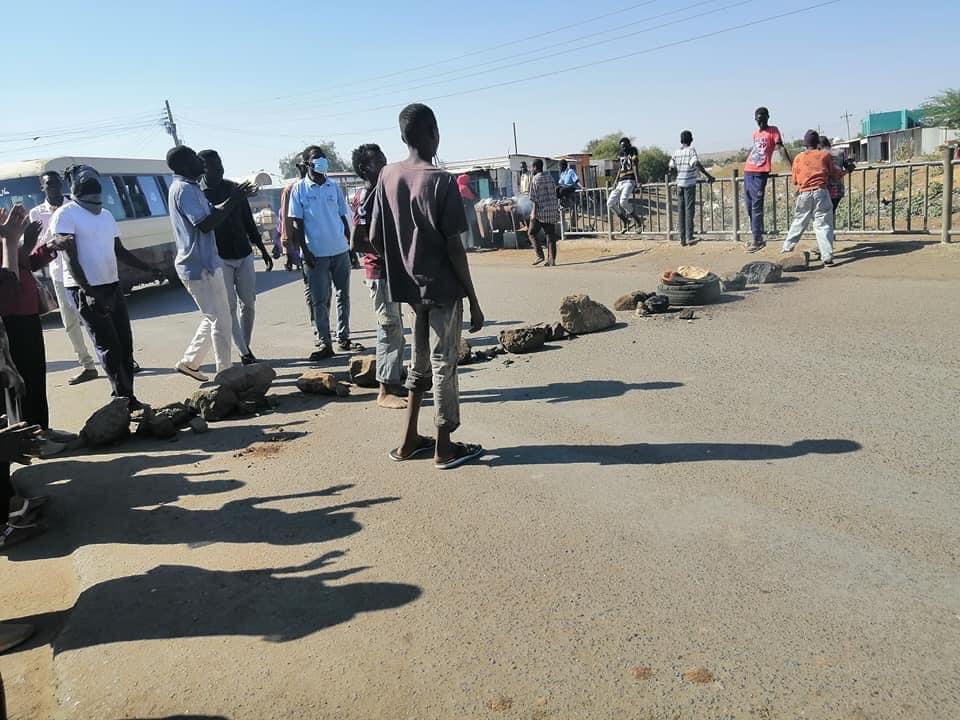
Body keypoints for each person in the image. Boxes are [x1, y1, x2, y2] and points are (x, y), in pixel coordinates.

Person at [370, 103, 485, 470]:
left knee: (418, 363)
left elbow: (372, 236)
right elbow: (454, 246)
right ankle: (444, 446)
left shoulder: (387, 176)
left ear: (403, 136)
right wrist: (474, 298)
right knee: (443, 363)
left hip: (409, 289)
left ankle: (408, 441)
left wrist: (404, 261)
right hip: (442, 288)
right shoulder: (441, 180)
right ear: (433, 132)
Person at [52, 165, 164, 406]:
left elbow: (119, 251)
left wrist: (148, 268)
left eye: (98, 196)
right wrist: (88, 292)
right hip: (86, 290)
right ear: (75, 191)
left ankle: (127, 395)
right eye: (89, 195)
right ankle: (122, 397)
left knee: (125, 343)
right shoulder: (66, 214)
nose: (95, 200)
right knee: (108, 346)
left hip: (112, 285)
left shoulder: (106, 215)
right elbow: (70, 260)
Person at [166, 146, 255, 381]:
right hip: (199, 266)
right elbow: (205, 224)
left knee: (215, 315)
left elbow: (210, 213)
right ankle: (225, 372)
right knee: (220, 319)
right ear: (185, 164)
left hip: (204, 263)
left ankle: (191, 362)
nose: (201, 163)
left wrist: (233, 200)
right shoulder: (184, 189)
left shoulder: (188, 187)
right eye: (196, 158)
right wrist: (233, 200)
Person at [198, 150, 274, 366]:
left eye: (221, 164)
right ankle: (245, 351)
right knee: (229, 307)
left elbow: (248, 221)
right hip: (220, 258)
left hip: (244, 253)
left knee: (248, 303)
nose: (220, 169)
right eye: (214, 166)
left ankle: (245, 347)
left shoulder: (233, 188)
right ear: (204, 168)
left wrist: (262, 248)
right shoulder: (199, 194)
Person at [289, 145, 360, 361]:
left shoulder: (333, 187)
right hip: (315, 253)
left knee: (343, 296)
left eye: (323, 158)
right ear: (307, 163)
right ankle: (324, 342)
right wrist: (304, 250)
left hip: (339, 249)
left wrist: (351, 246)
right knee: (320, 300)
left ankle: (344, 337)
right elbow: (297, 223)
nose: (321, 162)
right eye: (316, 159)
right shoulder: (299, 189)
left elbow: (342, 217)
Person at [350, 143, 407, 410]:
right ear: (364, 168)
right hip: (380, 271)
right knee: (389, 328)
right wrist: (388, 253)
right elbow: (357, 241)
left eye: (384, 157)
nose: (384, 162)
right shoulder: (368, 196)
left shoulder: (382, 191)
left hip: (390, 270)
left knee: (394, 328)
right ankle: (385, 390)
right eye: (377, 161)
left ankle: (393, 381)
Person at [28, 172, 98, 385]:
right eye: (49, 185)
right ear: (43, 188)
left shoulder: (76, 206)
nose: (55, 188)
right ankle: (87, 365)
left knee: (97, 317)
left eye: (57, 183)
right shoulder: (36, 213)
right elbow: (37, 245)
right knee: (70, 323)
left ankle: (120, 358)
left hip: (84, 271)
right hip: (59, 275)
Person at [780, 130, 840, 266]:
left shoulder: (798, 158)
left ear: (805, 143)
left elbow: (794, 180)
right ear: (817, 142)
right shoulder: (824, 155)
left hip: (804, 193)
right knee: (823, 225)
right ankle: (827, 257)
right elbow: (835, 174)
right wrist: (846, 171)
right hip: (821, 192)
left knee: (799, 221)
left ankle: (787, 248)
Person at [743, 106, 791, 252]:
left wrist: (792, 166)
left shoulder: (773, 130)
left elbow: (780, 148)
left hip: (760, 173)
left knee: (757, 207)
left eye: (763, 119)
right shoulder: (755, 134)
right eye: (758, 120)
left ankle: (757, 240)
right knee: (749, 206)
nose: (760, 122)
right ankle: (756, 235)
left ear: (767, 117)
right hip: (748, 171)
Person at [668, 130, 715, 247]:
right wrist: (708, 176)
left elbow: (671, 167)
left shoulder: (676, 152)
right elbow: (696, 163)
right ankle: (689, 237)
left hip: (679, 184)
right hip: (689, 184)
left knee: (681, 211)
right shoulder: (691, 151)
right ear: (691, 140)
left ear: (681, 140)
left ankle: (682, 238)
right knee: (689, 211)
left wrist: (676, 179)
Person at [528, 159, 560, 267]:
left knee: (531, 233)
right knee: (550, 236)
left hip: (540, 212)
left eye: (531, 167)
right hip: (551, 211)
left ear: (536, 168)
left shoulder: (535, 179)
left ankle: (540, 255)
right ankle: (552, 260)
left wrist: (533, 213)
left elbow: (534, 199)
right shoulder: (550, 177)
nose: (530, 169)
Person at [607, 137, 643, 232]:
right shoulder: (621, 154)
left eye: (625, 146)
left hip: (629, 180)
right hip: (620, 181)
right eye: (621, 147)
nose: (623, 148)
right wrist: (615, 182)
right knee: (610, 203)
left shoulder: (633, 151)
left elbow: (635, 166)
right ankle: (626, 221)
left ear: (629, 145)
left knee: (623, 202)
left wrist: (637, 181)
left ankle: (638, 221)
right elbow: (620, 169)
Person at [818, 136, 853, 215]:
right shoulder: (840, 152)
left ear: (819, 145)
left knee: (824, 215)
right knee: (831, 212)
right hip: (838, 190)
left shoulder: (820, 154)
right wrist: (842, 173)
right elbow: (851, 166)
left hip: (824, 190)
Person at [456, 173, 479, 250]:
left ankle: (464, 246)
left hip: (458, 212)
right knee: (468, 229)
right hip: (465, 211)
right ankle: (469, 245)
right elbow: (473, 198)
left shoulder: (457, 187)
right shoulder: (464, 188)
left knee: (462, 230)